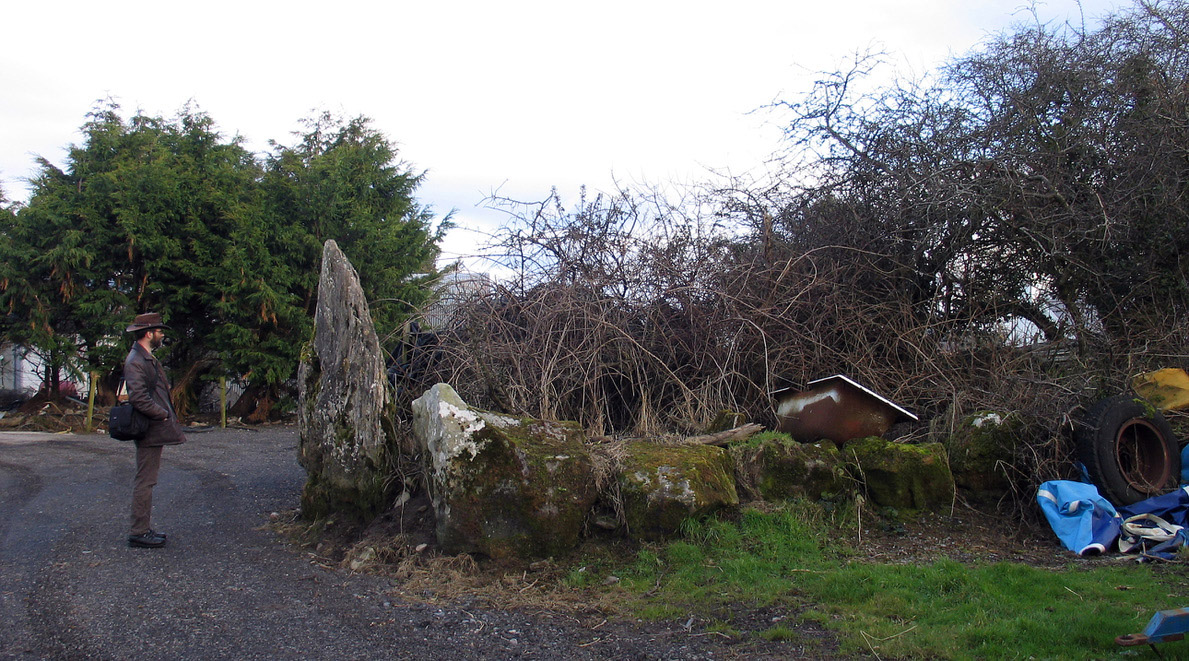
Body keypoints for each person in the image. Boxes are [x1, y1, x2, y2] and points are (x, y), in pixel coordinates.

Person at [123, 312, 186, 548]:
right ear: (149, 333)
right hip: (148, 428)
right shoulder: (136, 361)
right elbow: (138, 398)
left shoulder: (145, 357)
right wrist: (162, 413)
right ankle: (139, 531)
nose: (162, 335)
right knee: (145, 480)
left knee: (148, 479)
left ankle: (142, 529)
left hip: (152, 427)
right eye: (160, 331)